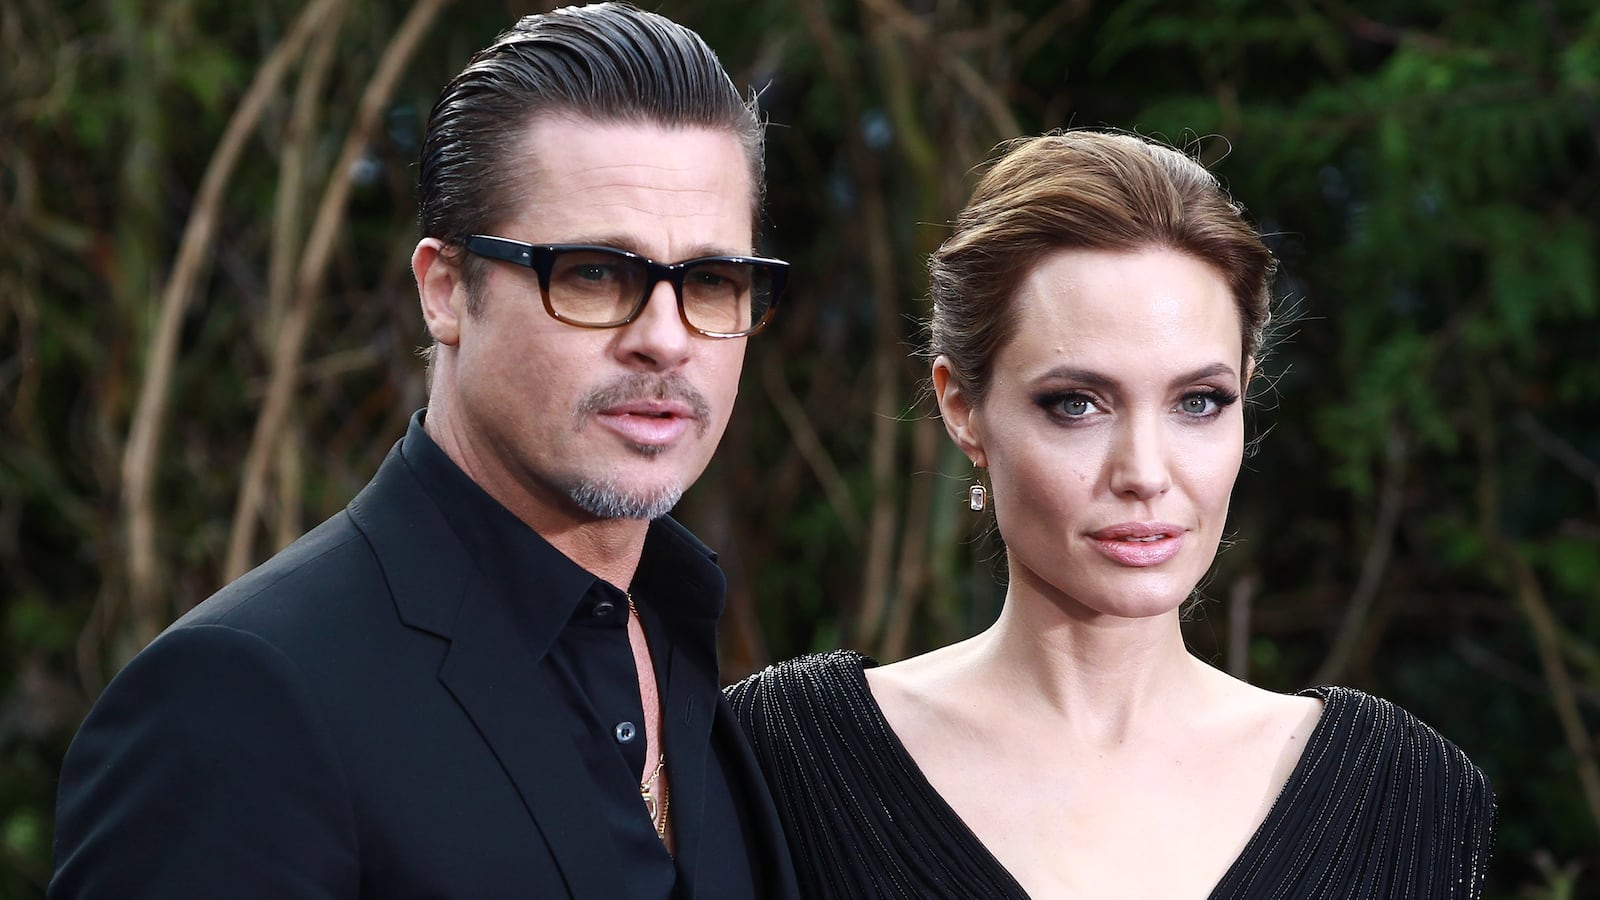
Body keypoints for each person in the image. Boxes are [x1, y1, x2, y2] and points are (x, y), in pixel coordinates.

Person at [51, 5, 801, 898]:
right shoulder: (240, 701)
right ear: (446, 292)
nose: (666, 339)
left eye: (712, 282)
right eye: (597, 273)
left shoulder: (709, 671)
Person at [727, 130, 1495, 899]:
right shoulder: (780, 758)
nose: (1146, 474)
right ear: (963, 407)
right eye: (1077, 404)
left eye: (1199, 403)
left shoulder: (1402, 795)